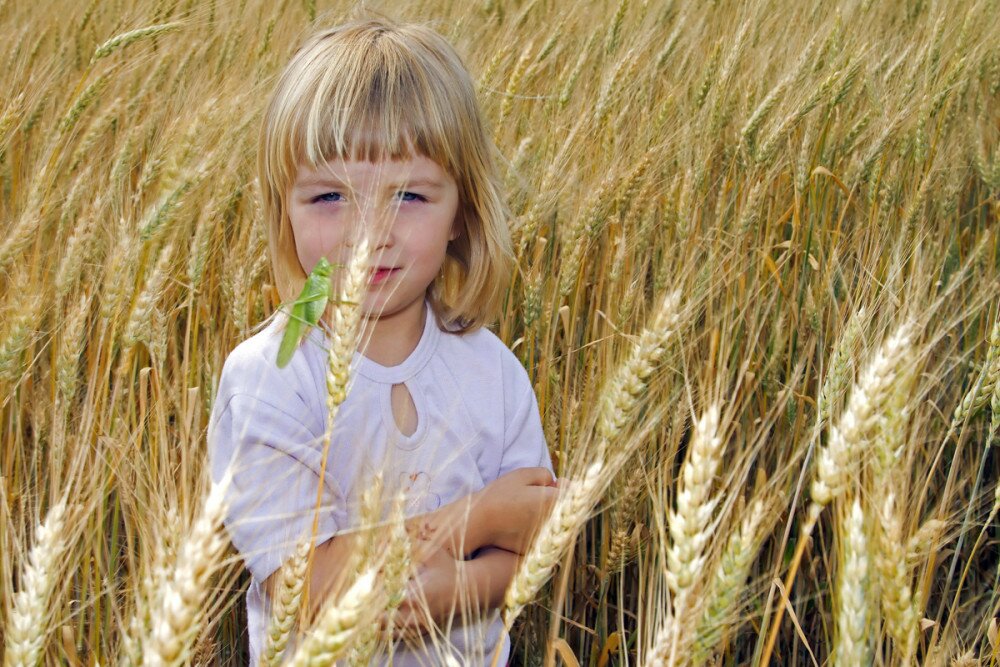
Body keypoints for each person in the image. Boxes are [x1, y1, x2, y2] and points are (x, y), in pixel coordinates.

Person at [207, 12, 558, 665]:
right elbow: (309, 588)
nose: (369, 230)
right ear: (283, 207)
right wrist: (470, 521)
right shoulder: (266, 379)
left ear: (463, 212)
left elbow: (533, 536)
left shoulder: (496, 374)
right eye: (330, 197)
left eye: (410, 196)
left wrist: (454, 589)